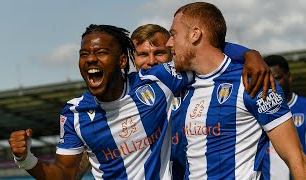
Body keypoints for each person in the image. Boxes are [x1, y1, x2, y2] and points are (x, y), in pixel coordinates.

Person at [75, 23, 277, 179]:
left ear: (173, 52)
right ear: (129, 60)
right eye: (143, 54)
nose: (151, 61)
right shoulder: (123, 105)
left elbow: (212, 49)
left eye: (159, 53)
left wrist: (249, 54)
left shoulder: (198, 86)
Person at [165, 2, 306, 179]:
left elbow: (296, 159)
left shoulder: (253, 80)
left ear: (195, 34)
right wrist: (250, 53)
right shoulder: (180, 82)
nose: (168, 43)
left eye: (173, 34)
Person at [261, 55, 306, 180]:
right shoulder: (257, 112)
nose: (271, 83)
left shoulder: (304, 107)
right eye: (266, 79)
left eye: (276, 78)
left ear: (290, 77)